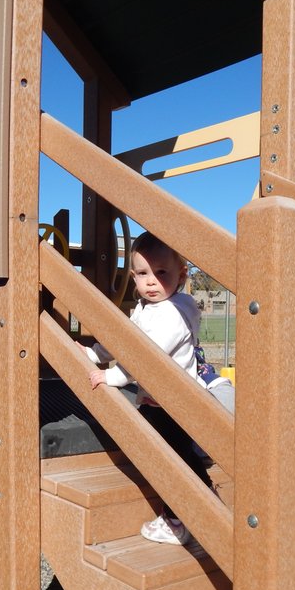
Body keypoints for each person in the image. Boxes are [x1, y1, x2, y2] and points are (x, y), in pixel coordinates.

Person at [81, 232, 211, 545]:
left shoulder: (173, 313)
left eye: (161, 273)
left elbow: (145, 356)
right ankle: (197, 483)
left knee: (172, 461)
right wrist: (95, 353)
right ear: (132, 276)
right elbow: (126, 339)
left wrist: (112, 376)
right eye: (142, 273)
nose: (151, 282)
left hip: (176, 403)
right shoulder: (147, 308)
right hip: (158, 400)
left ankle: (180, 518)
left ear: (181, 276)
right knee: (166, 452)